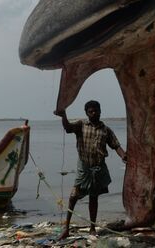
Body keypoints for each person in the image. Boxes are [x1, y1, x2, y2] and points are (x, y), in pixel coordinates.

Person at [54, 100, 127, 240]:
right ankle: (66, 228)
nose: (94, 113)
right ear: (86, 113)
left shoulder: (105, 129)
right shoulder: (81, 125)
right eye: (90, 111)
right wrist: (63, 115)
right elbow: (68, 128)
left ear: (100, 111)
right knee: (73, 196)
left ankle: (92, 228)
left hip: (98, 167)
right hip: (84, 167)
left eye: (96, 111)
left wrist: (123, 156)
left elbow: (115, 145)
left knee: (94, 198)